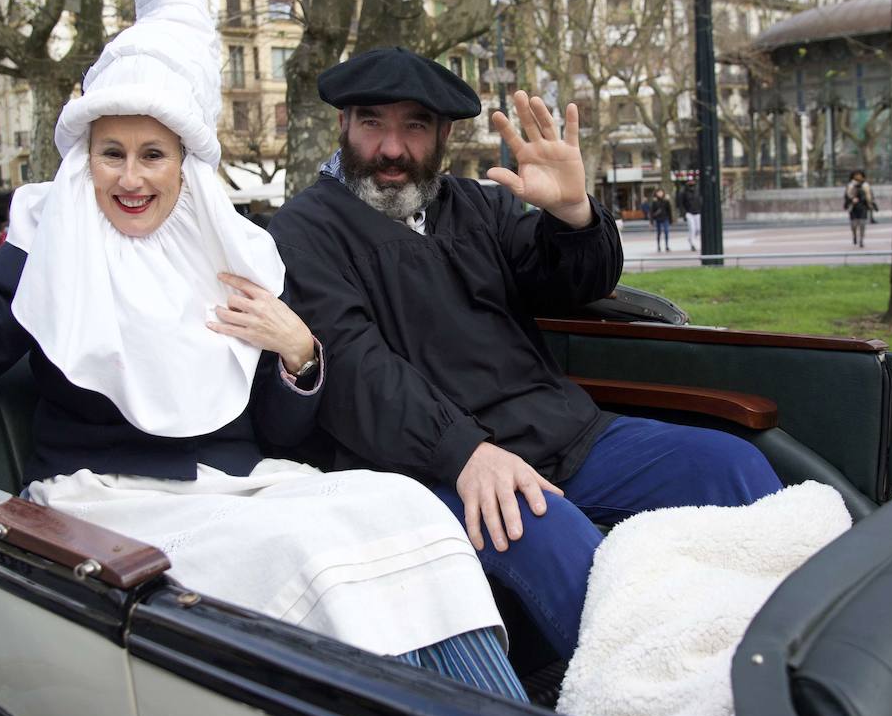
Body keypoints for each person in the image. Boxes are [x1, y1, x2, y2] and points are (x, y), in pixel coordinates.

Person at [0, 0, 523, 699]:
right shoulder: (47, 252)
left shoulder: (239, 256)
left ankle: (490, 713)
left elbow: (278, 431)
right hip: (108, 505)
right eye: (111, 152)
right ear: (86, 158)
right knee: (311, 550)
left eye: (152, 153)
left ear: (185, 165)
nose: (130, 178)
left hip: (249, 486)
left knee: (405, 508)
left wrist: (299, 357)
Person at [269, 47, 782, 661]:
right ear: (344, 127)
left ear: (444, 136)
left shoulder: (478, 204)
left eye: (414, 126)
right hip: (429, 465)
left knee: (730, 466)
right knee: (553, 535)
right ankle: (656, 699)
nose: (391, 148)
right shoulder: (304, 229)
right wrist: (464, 452)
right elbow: (352, 365)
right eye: (372, 122)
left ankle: (796, 654)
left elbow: (569, 282)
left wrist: (573, 215)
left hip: (563, 433)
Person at [844, 169, 877, 247]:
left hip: (863, 206)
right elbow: (846, 196)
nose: (858, 176)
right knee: (854, 225)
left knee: (862, 224)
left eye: (859, 175)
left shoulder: (866, 185)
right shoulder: (850, 185)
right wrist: (852, 199)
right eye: (856, 175)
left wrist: (870, 202)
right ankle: (854, 236)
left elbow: (870, 195)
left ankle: (861, 240)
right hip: (853, 207)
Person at [676, 178, 702, 252]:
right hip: (689, 213)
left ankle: (691, 239)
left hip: (697, 212)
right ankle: (692, 243)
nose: (691, 182)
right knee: (692, 228)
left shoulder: (698, 190)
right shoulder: (683, 191)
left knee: (698, 229)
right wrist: (684, 214)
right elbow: (681, 203)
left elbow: (700, 200)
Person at [647, 187, 672, 252]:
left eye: (661, 192)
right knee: (659, 233)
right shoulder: (654, 202)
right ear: (656, 193)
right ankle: (658, 246)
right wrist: (651, 221)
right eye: (658, 192)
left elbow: (669, 210)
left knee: (666, 232)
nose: (660, 194)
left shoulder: (666, 201)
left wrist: (670, 219)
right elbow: (651, 212)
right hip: (658, 219)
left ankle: (667, 246)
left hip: (665, 218)